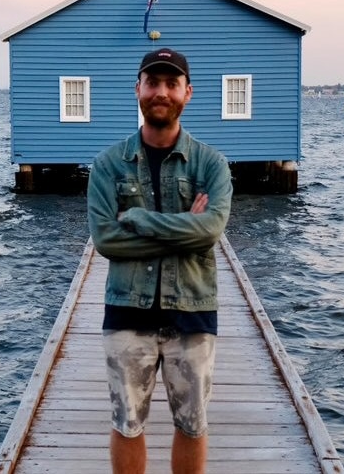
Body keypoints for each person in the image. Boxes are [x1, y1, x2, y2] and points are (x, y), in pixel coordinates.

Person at [87, 48, 233, 474]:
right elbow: (106, 240)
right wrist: (183, 229)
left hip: (192, 311)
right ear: (138, 89)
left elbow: (211, 230)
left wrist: (135, 218)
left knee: (192, 425)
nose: (161, 92)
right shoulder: (107, 166)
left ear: (188, 93)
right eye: (153, 82)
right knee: (127, 424)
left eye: (172, 84)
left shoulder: (212, 164)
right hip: (127, 312)